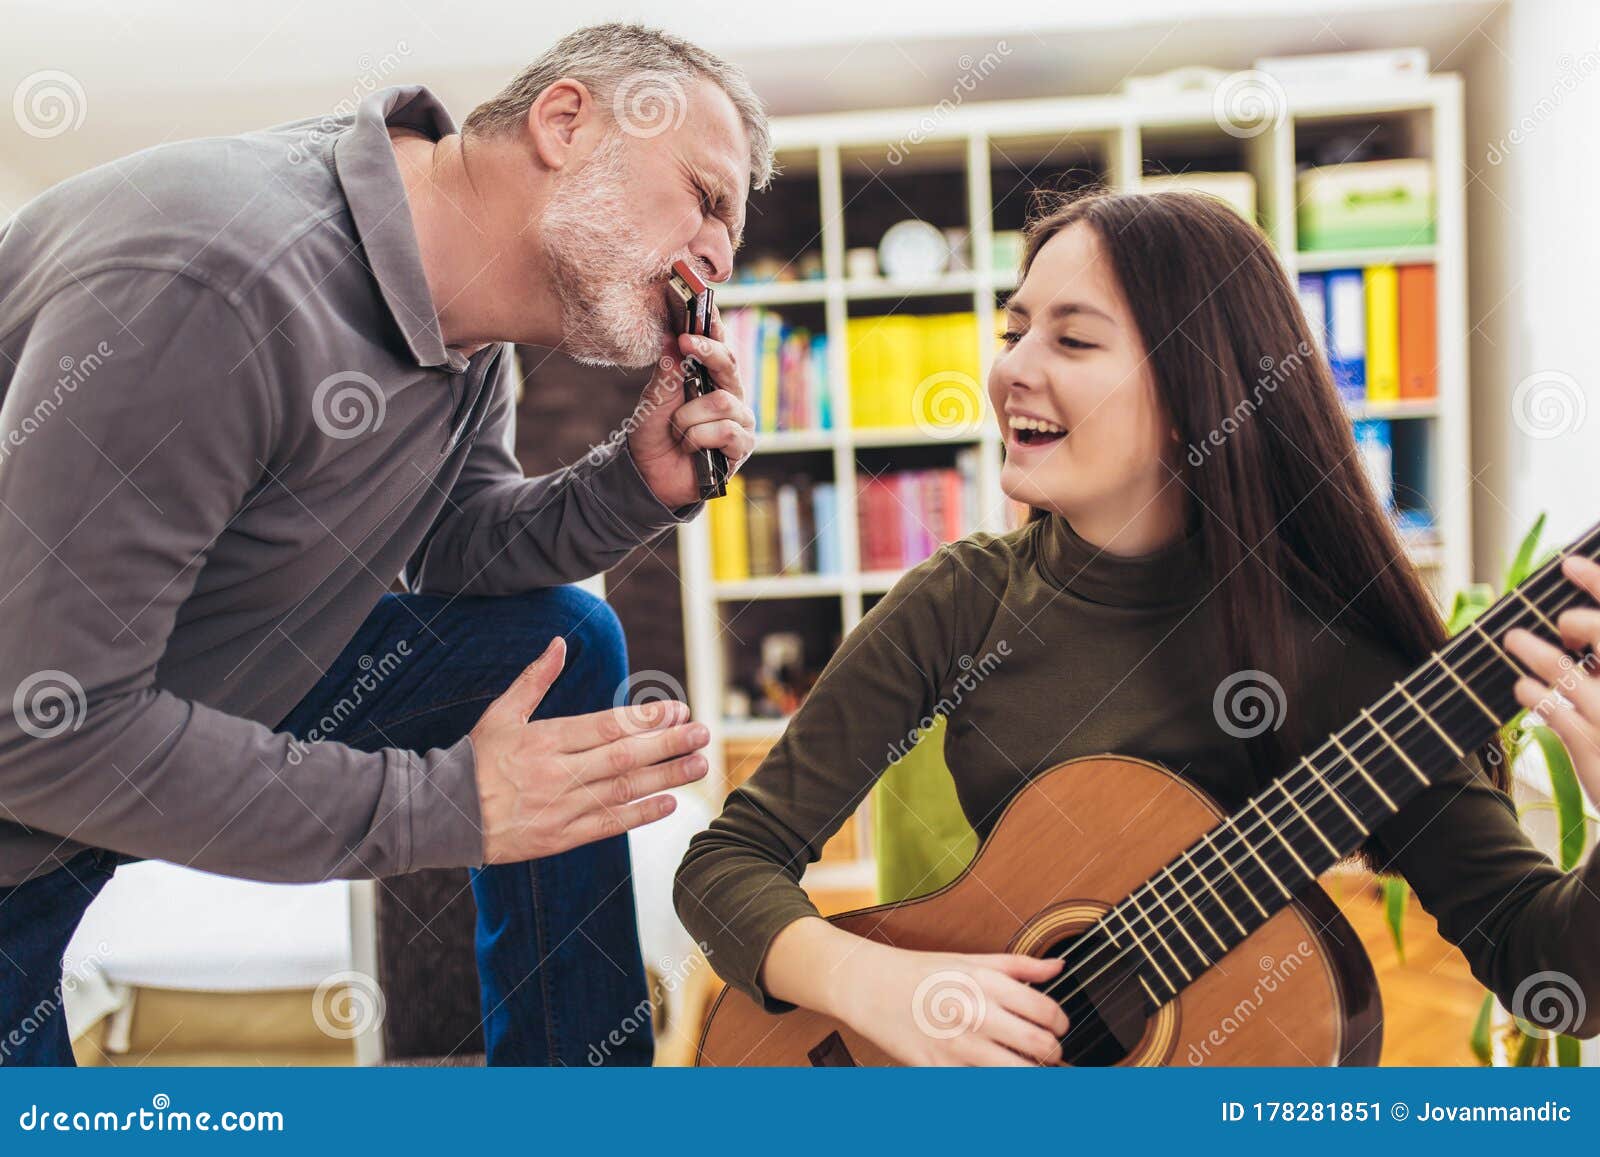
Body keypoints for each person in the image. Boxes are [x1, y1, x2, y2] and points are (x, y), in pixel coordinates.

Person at [674, 189, 1600, 1066]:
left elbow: (1549, 974)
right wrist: (883, 988)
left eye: (1073, 339)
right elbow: (724, 864)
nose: (1011, 370)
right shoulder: (961, 603)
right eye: (1015, 330)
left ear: (1199, 393)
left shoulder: (1344, 658)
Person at [0, 22, 771, 1066]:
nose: (719, 254)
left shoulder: (469, 331)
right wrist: (451, 806)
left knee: (557, 640)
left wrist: (630, 488)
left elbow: (453, 555)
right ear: (565, 120)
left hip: (152, 703)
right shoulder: (215, 284)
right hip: (35, 766)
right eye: (707, 196)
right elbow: (43, 730)